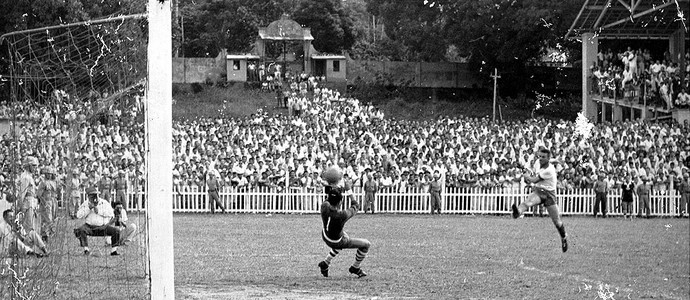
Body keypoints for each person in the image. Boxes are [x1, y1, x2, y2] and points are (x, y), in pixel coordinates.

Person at [511, 148, 568, 253]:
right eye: (539, 156)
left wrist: (525, 175)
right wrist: (557, 160)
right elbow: (551, 160)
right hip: (539, 191)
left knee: (557, 221)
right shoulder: (539, 162)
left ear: (547, 158)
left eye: (543, 157)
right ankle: (517, 212)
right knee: (527, 202)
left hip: (549, 195)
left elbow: (533, 180)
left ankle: (563, 238)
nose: (540, 159)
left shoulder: (549, 170)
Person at [317, 167, 371, 278]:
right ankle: (355, 267)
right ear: (341, 201)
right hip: (336, 240)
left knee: (343, 235)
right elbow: (356, 206)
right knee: (366, 244)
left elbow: (331, 195)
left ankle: (325, 263)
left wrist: (334, 186)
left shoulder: (325, 206)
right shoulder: (341, 215)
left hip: (325, 235)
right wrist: (349, 190)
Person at [73, 187, 121, 256]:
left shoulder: (104, 203)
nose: (93, 198)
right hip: (89, 227)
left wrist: (98, 211)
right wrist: (88, 208)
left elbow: (111, 214)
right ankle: (86, 250)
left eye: (95, 195)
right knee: (80, 230)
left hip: (103, 227)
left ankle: (114, 251)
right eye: (91, 196)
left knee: (116, 231)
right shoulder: (85, 204)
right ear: (88, 196)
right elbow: (78, 215)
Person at [36, 166, 59, 241]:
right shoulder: (43, 182)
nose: (49, 175)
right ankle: (45, 235)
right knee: (46, 218)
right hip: (46, 201)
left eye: (50, 174)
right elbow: (39, 194)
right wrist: (44, 202)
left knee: (53, 218)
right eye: (48, 174)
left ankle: (51, 233)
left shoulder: (54, 182)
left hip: (53, 201)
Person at [18, 156, 40, 234]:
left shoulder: (30, 176)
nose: (35, 168)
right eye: (33, 165)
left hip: (32, 203)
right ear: (28, 165)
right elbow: (22, 193)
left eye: (36, 166)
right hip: (27, 204)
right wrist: (20, 207)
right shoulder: (25, 177)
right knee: (28, 226)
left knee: (32, 226)